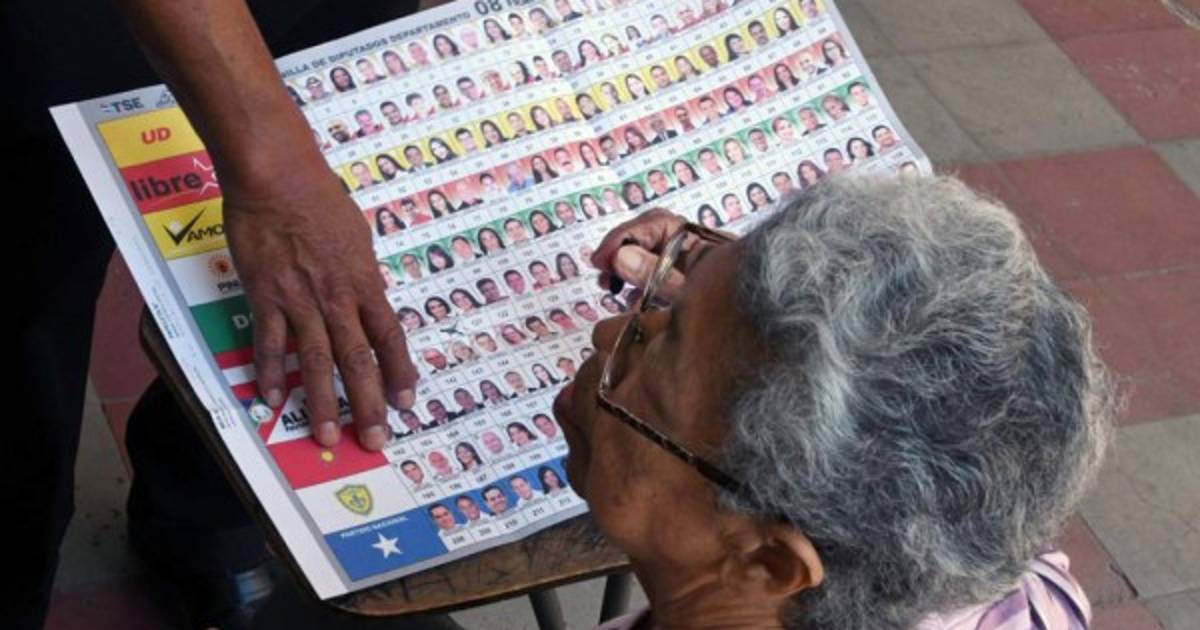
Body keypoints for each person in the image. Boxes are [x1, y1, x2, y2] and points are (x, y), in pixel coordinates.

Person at [562, 177, 1113, 629]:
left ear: (767, 562)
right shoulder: (1020, 589)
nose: (609, 336)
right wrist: (727, 298)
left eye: (653, 373)